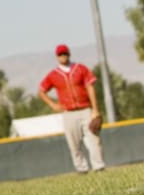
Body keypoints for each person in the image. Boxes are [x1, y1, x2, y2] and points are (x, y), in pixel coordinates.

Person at [38, 43, 105, 174]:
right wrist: (53, 104)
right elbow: (41, 91)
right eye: (60, 54)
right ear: (57, 57)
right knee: (74, 145)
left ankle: (99, 167)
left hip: (85, 109)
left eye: (64, 53)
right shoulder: (53, 75)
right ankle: (82, 169)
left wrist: (95, 110)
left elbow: (90, 88)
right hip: (68, 113)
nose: (63, 56)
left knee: (94, 140)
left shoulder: (81, 69)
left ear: (69, 54)